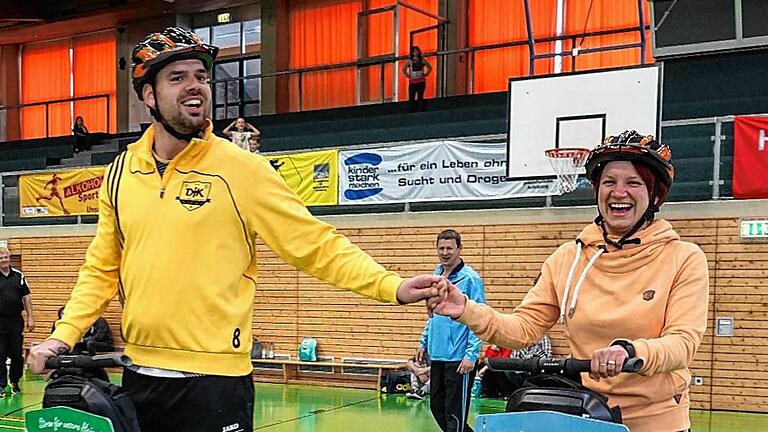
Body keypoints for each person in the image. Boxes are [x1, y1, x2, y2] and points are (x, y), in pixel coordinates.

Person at [27, 27, 442, 432]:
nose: (196, 87)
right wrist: (62, 337)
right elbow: (101, 270)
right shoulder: (120, 172)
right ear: (149, 96)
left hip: (215, 385)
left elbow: (315, 245)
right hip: (139, 381)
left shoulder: (243, 170)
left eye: (201, 77)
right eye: (178, 78)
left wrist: (390, 286)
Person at [430, 131, 709, 432]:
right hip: (589, 416)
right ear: (597, 190)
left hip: (659, 422)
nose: (619, 192)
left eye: (633, 183)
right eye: (609, 182)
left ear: (654, 195)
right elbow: (524, 328)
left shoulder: (684, 258)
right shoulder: (568, 257)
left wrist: (629, 352)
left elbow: (683, 343)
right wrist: (466, 310)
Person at [417, 229, 485, 432]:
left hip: (459, 359)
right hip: (438, 355)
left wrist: (471, 355)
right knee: (437, 407)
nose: (445, 252)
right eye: (441, 248)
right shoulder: (436, 275)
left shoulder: (471, 279)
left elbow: (479, 318)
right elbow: (432, 313)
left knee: (455, 415)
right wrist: (423, 342)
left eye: (449, 248)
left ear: (459, 249)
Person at [0, 246, 35, 397]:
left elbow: (26, 297)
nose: (3, 260)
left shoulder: (19, 276)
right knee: (0, 354)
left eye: (5, 257)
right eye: (0, 258)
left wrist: (31, 317)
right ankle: (1, 385)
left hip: (15, 321)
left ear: (9, 258)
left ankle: (15, 382)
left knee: (16, 354)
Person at [475, 336, 551, 399]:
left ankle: (506, 393)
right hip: (518, 369)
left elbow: (546, 357)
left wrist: (528, 361)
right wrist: (493, 349)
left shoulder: (543, 339)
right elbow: (488, 359)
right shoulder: (521, 341)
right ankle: (489, 394)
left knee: (502, 371)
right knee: (485, 366)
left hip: (533, 371)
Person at [401, 46, 432, 113]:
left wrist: (426, 74)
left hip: (421, 80)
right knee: (412, 97)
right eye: (414, 51)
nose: (416, 53)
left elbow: (429, 67)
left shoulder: (422, 60)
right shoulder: (410, 61)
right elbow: (403, 69)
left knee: (420, 96)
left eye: (417, 51)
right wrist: (408, 75)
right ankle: (412, 109)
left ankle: (420, 109)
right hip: (413, 81)